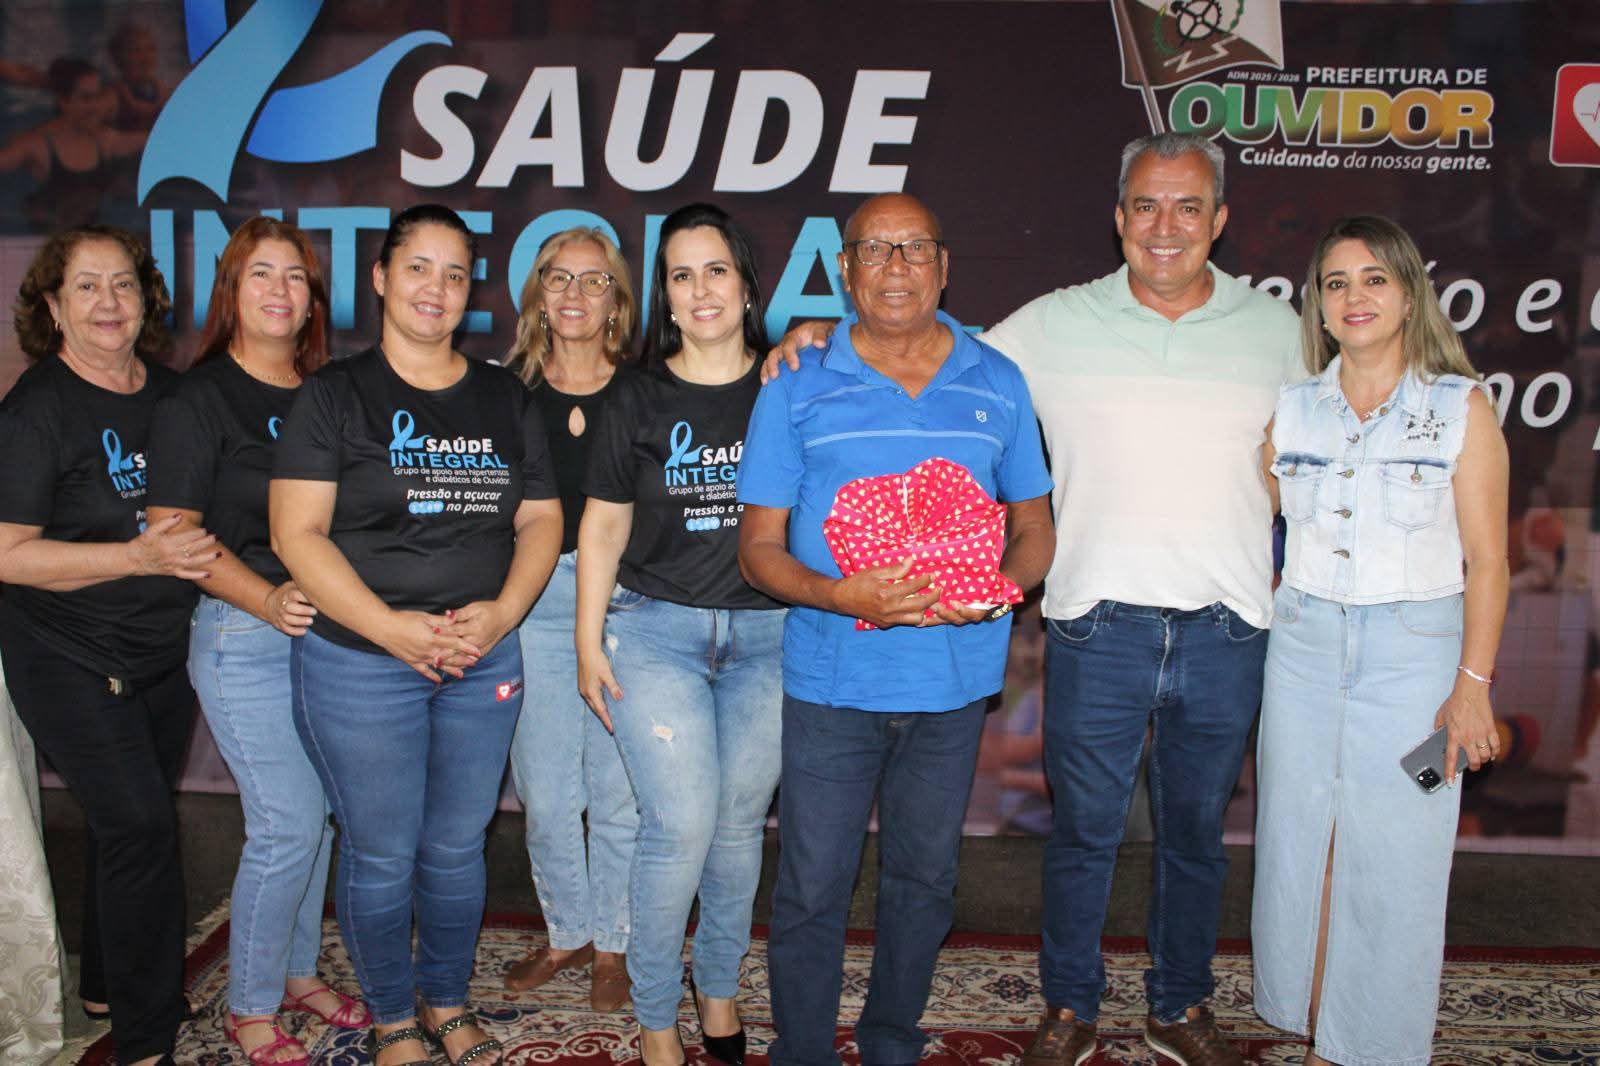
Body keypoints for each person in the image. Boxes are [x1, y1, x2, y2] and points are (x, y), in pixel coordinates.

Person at [767, 135, 1302, 1065]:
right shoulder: (1051, 324)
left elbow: (1339, 429)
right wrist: (811, 334)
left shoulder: (1281, 331)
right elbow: (918, 338)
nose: (1164, 226)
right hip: (1086, 624)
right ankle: (1063, 1007)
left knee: (1192, 839)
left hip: (1220, 626)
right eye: (1145, 205)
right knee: (1076, 836)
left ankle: (1178, 1005)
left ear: (1218, 220)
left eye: (1186, 207)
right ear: (1119, 217)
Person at [738, 192, 1055, 1066]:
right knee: (813, 885)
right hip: (832, 681)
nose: (896, 267)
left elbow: (1035, 527)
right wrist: (844, 596)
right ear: (846, 271)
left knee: (924, 880)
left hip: (952, 685)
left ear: (944, 265)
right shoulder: (796, 382)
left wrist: (997, 589)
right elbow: (757, 551)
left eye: (915, 248)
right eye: (875, 250)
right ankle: (803, 1050)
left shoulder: (997, 380)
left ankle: (890, 1041)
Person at [269, 204, 562, 1066]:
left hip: (481, 655)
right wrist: (393, 631)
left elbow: (542, 519)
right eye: (418, 268)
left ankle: (446, 999)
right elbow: (296, 535)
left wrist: (503, 612)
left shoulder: (506, 396)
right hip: (362, 660)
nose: (437, 288)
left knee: (456, 846)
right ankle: (394, 1017)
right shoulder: (333, 395)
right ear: (381, 278)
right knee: (383, 851)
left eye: (455, 273)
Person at [1252, 215, 1508, 1066]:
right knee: (1300, 844)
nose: (1354, 297)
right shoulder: (1292, 412)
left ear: (1407, 296)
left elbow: (1490, 562)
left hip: (1416, 660)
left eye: (1373, 279)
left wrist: (1472, 686)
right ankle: (1316, 1030)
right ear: (1319, 307)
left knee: (1399, 855)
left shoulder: (1460, 408)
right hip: (1302, 652)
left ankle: (1368, 1048)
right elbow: (1257, 523)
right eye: (1336, 283)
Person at [146, 217, 368, 1066]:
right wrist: (268, 598)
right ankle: (249, 1005)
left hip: (326, 635)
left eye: (296, 276)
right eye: (261, 274)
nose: (280, 290)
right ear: (231, 291)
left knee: (319, 821)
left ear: (313, 299)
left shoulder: (328, 391)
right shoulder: (197, 399)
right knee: (287, 824)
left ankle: (297, 973)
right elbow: (173, 533)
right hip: (244, 633)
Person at [0, 224, 221, 1066]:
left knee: (119, 825)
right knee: (140, 827)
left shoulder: (173, 396)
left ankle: (104, 983)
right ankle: (145, 1034)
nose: (108, 302)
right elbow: (8, 554)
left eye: (123, 284)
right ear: (53, 307)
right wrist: (135, 557)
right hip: (67, 652)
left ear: (146, 299)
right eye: (86, 286)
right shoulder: (37, 412)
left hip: (159, 651)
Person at [575, 203, 784, 1065]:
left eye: (716, 270)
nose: (701, 290)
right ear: (664, 294)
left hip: (769, 639)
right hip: (654, 635)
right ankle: (657, 1016)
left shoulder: (787, 383)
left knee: (738, 827)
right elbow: (602, 528)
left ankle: (719, 990)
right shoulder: (634, 395)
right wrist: (586, 644)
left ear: (746, 285)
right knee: (681, 825)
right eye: (681, 275)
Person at [501, 227, 639, 1011]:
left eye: (594, 280)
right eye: (559, 278)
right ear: (538, 296)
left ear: (617, 300)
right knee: (548, 792)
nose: (576, 294)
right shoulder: (504, 394)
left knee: (617, 793)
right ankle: (568, 933)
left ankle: (614, 943)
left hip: (625, 603)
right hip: (536, 602)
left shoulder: (646, 392)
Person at [0, 58, 144, 230]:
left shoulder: (105, 140)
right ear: (64, 101)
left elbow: (152, 139)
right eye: (86, 98)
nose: (95, 107)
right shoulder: (36, 146)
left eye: (97, 97)